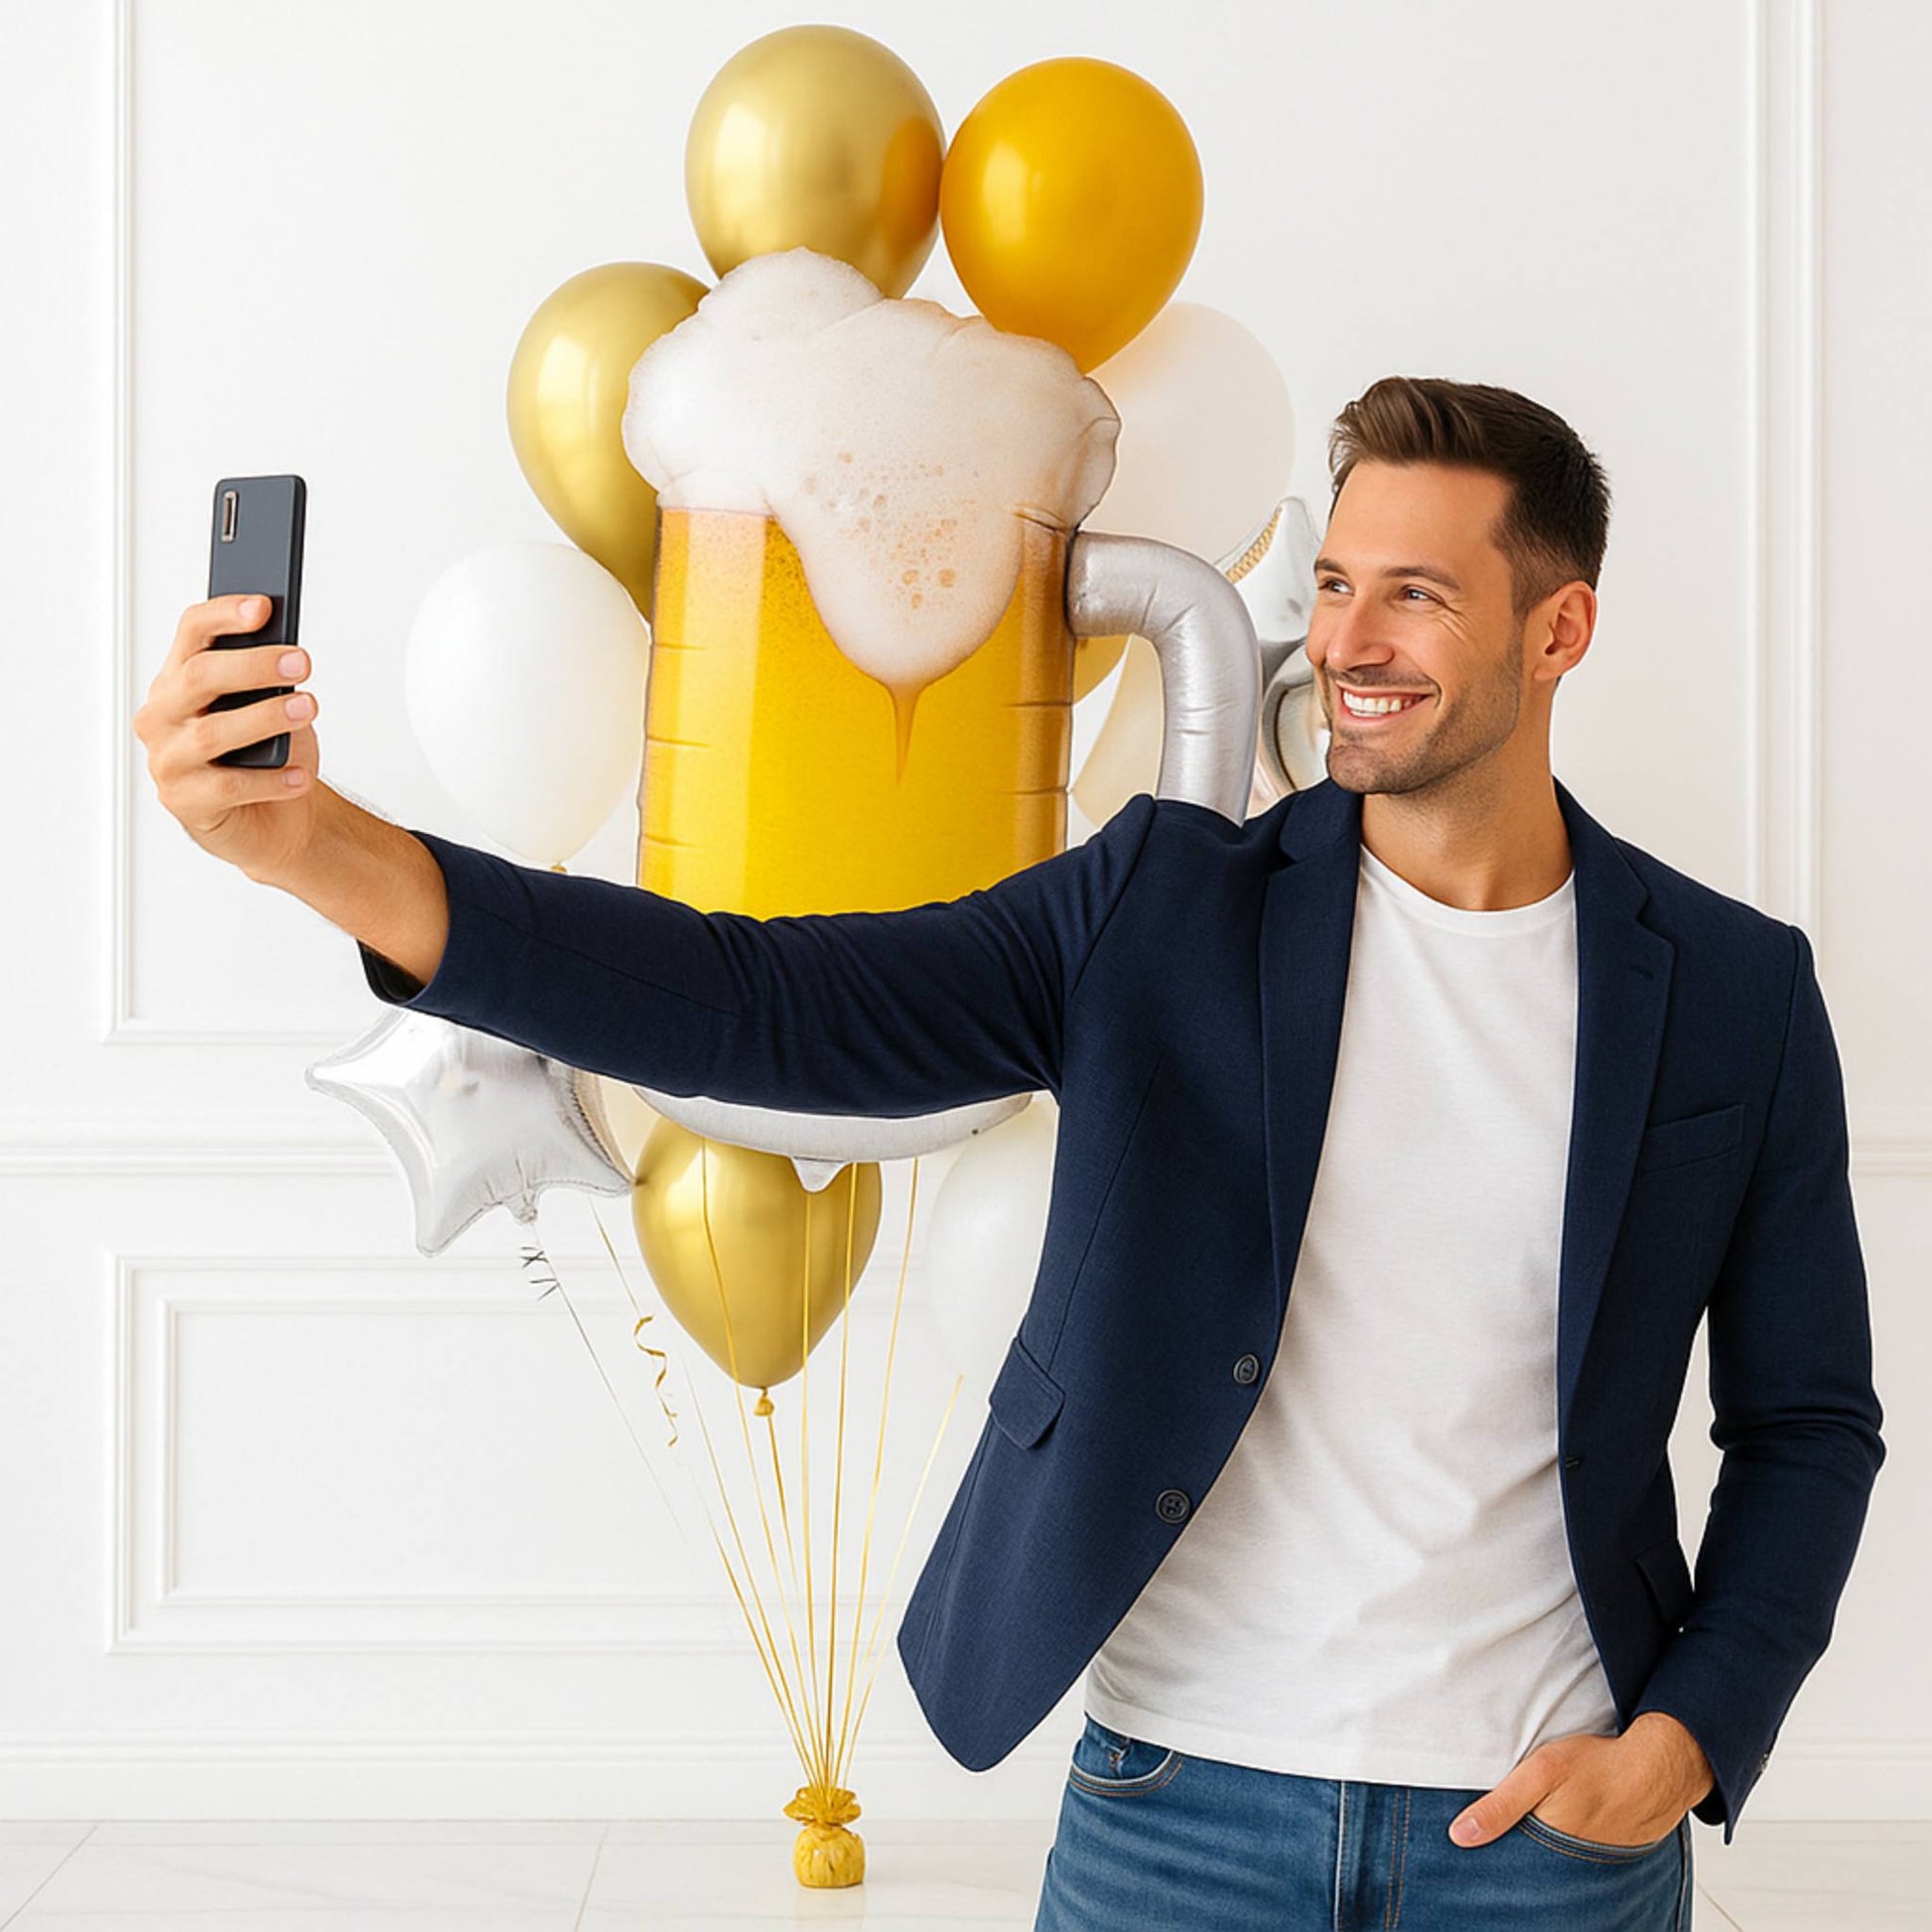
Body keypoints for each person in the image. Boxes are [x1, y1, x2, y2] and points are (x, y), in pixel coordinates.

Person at [137, 376, 1884, 1931]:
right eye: (1337, 582)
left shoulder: (1728, 990)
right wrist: (320, 849)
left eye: (1415, 594)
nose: (1349, 638)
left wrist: (1684, 1739)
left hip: (1547, 1834)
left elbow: (1806, 1422)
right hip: (1179, 1808)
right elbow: (763, 1002)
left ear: (1558, 629)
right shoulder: (1168, 903)